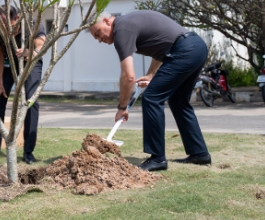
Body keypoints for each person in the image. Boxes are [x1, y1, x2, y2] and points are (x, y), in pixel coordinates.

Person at [89, 10, 211, 172]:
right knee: (178, 101)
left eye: (98, 33)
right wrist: (151, 75)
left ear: (106, 21)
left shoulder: (121, 30)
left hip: (184, 50)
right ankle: (199, 154)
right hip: (195, 47)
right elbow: (161, 49)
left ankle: (157, 158)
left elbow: (128, 77)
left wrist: (122, 108)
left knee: (151, 98)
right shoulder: (128, 23)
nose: (99, 39)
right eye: (95, 37)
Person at [0, 6, 46, 166]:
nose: (6, 32)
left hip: (30, 60)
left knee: (30, 101)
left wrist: (28, 53)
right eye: (2, 27)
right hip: (8, 62)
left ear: (17, 19)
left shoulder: (31, 24)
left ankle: (28, 152)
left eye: (9, 27)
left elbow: (40, 47)